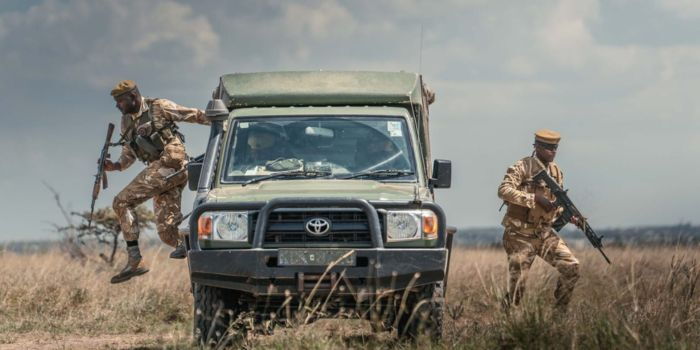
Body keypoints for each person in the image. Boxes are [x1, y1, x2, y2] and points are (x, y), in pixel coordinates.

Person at [103, 80, 209, 284]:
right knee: (167, 233)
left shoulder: (158, 106)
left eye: (121, 101)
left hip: (172, 163)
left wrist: (226, 120)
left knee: (122, 202)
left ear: (133, 97)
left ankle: (134, 260)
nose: (118, 106)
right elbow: (129, 154)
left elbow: (194, 114)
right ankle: (209, 252)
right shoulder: (126, 121)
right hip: (160, 172)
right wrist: (114, 166)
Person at [497, 129, 582, 310]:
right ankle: (506, 318)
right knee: (518, 287)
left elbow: (554, 206)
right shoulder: (522, 166)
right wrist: (533, 199)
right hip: (519, 234)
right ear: (537, 147)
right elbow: (503, 190)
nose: (553, 151)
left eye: (555, 148)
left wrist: (569, 216)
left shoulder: (556, 172)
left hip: (544, 233)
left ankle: (559, 313)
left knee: (571, 267)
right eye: (549, 147)